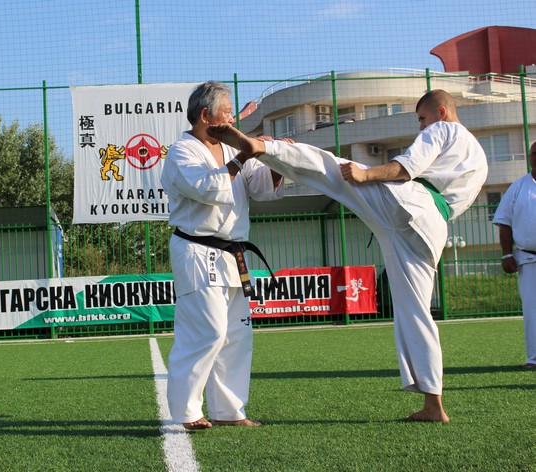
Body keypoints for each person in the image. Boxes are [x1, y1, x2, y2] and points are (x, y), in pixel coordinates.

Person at [207, 89, 488, 423]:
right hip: (431, 229)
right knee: (417, 313)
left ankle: (263, 148)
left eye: (422, 119)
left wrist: (367, 174)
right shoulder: (479, 157)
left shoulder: (442, 129)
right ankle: (433, 405)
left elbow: (408, 167)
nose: (421, 126)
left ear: (440, 112)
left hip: (411, 203)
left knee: (333, 169)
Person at [161, 81, 284, 430]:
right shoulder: (181, 152)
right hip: (197, 250)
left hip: (233, 253)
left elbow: (259, 186)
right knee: (208, 331)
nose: (232, 119)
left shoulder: (230, 148)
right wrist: (245, 153)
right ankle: (188, 412)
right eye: (227, 112)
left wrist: (276, 158)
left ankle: (229, 411)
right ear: (205, 115)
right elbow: (208, 188)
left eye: (231, 113)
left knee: (237, 336)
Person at [492, 141, 536, 370]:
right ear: (530, 157)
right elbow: (504, 223)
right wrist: (506, 254)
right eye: (535, 153)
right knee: (532, 309)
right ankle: (534, 358)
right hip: (528, 259)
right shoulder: (518, 187)